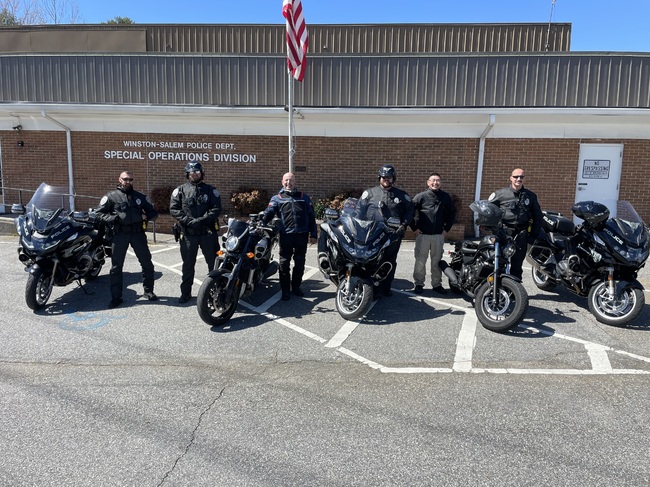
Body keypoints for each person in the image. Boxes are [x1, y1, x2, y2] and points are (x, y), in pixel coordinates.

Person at [95, 171, 159, 308]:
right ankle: (116, 298)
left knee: (147, 263)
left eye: (130, 179)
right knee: (116, 267)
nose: (128, 182)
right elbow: (99, 214)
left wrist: (145, 216)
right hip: (120, 235)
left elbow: (153, 213)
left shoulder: (140, 197)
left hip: (137, 234)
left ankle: (148, 291)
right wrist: (114, 218)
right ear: (120, 179)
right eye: (125, 179)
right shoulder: (111, 197)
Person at [356, 164, 414, 297]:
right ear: (379, 178)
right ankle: (368, 286)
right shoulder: (369, 193)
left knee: (389, 261)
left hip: (393, 234)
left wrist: (404, 224)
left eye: (389, 177)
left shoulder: (402, 195)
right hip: (372, 234)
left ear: (393, 178)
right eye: (384, 177)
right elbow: (359, 212)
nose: (386, 179)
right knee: (371, 260)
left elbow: (410, 211)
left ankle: (386, 288)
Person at [169, 160, 222, 303]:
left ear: (202, 173)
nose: (194, 174)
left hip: (207, 233)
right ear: (187, 174)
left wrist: (202, 220)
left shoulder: (211, 190)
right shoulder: (180, 190)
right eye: (191, 172)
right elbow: (174, 209)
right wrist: (188, 221)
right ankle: (185, 293)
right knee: (187, 265)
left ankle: (216, 292)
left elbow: (216, 209)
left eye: (197, 171)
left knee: (214, 264)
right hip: (188, 234)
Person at [262, 172, 317, 301]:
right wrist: (261, 220)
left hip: (301, 235)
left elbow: (311, 217)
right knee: (284, 263)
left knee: (300, 263)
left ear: (295, 182)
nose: (289, 183)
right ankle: (285, 290)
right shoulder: (277, 198)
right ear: (282, 182)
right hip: (285, 235)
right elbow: (269, 213)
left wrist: (313, 234)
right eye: (286, 180)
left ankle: (296, 287)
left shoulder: (304, 197)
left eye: (291, 180)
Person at [488, 168, 543, 279]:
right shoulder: (500, 194)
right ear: (510, 178)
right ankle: (499, 286)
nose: (518, 179)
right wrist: (492, 228)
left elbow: (538, 216)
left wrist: (534, 234)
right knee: (499, 262)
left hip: (521, 234)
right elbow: (489, 210)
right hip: (503, 232)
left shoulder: (530, 196)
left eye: (521, 177)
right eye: (516, 176)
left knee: (517, 266)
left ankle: (515, 288)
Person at [411, 172, 456, 295]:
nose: (435, 183)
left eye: (438, 180)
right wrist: (414, 228)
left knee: (436, 261)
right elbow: (410, 211)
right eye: (433, 180)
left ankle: (437, 284)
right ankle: (419, 284)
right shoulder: (420, 196)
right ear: (428, 182)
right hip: (423, 235)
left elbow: (452, 214)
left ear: (440, 183)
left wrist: (446, 229)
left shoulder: (445, 197)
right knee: (420, 261)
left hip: (438, 235)